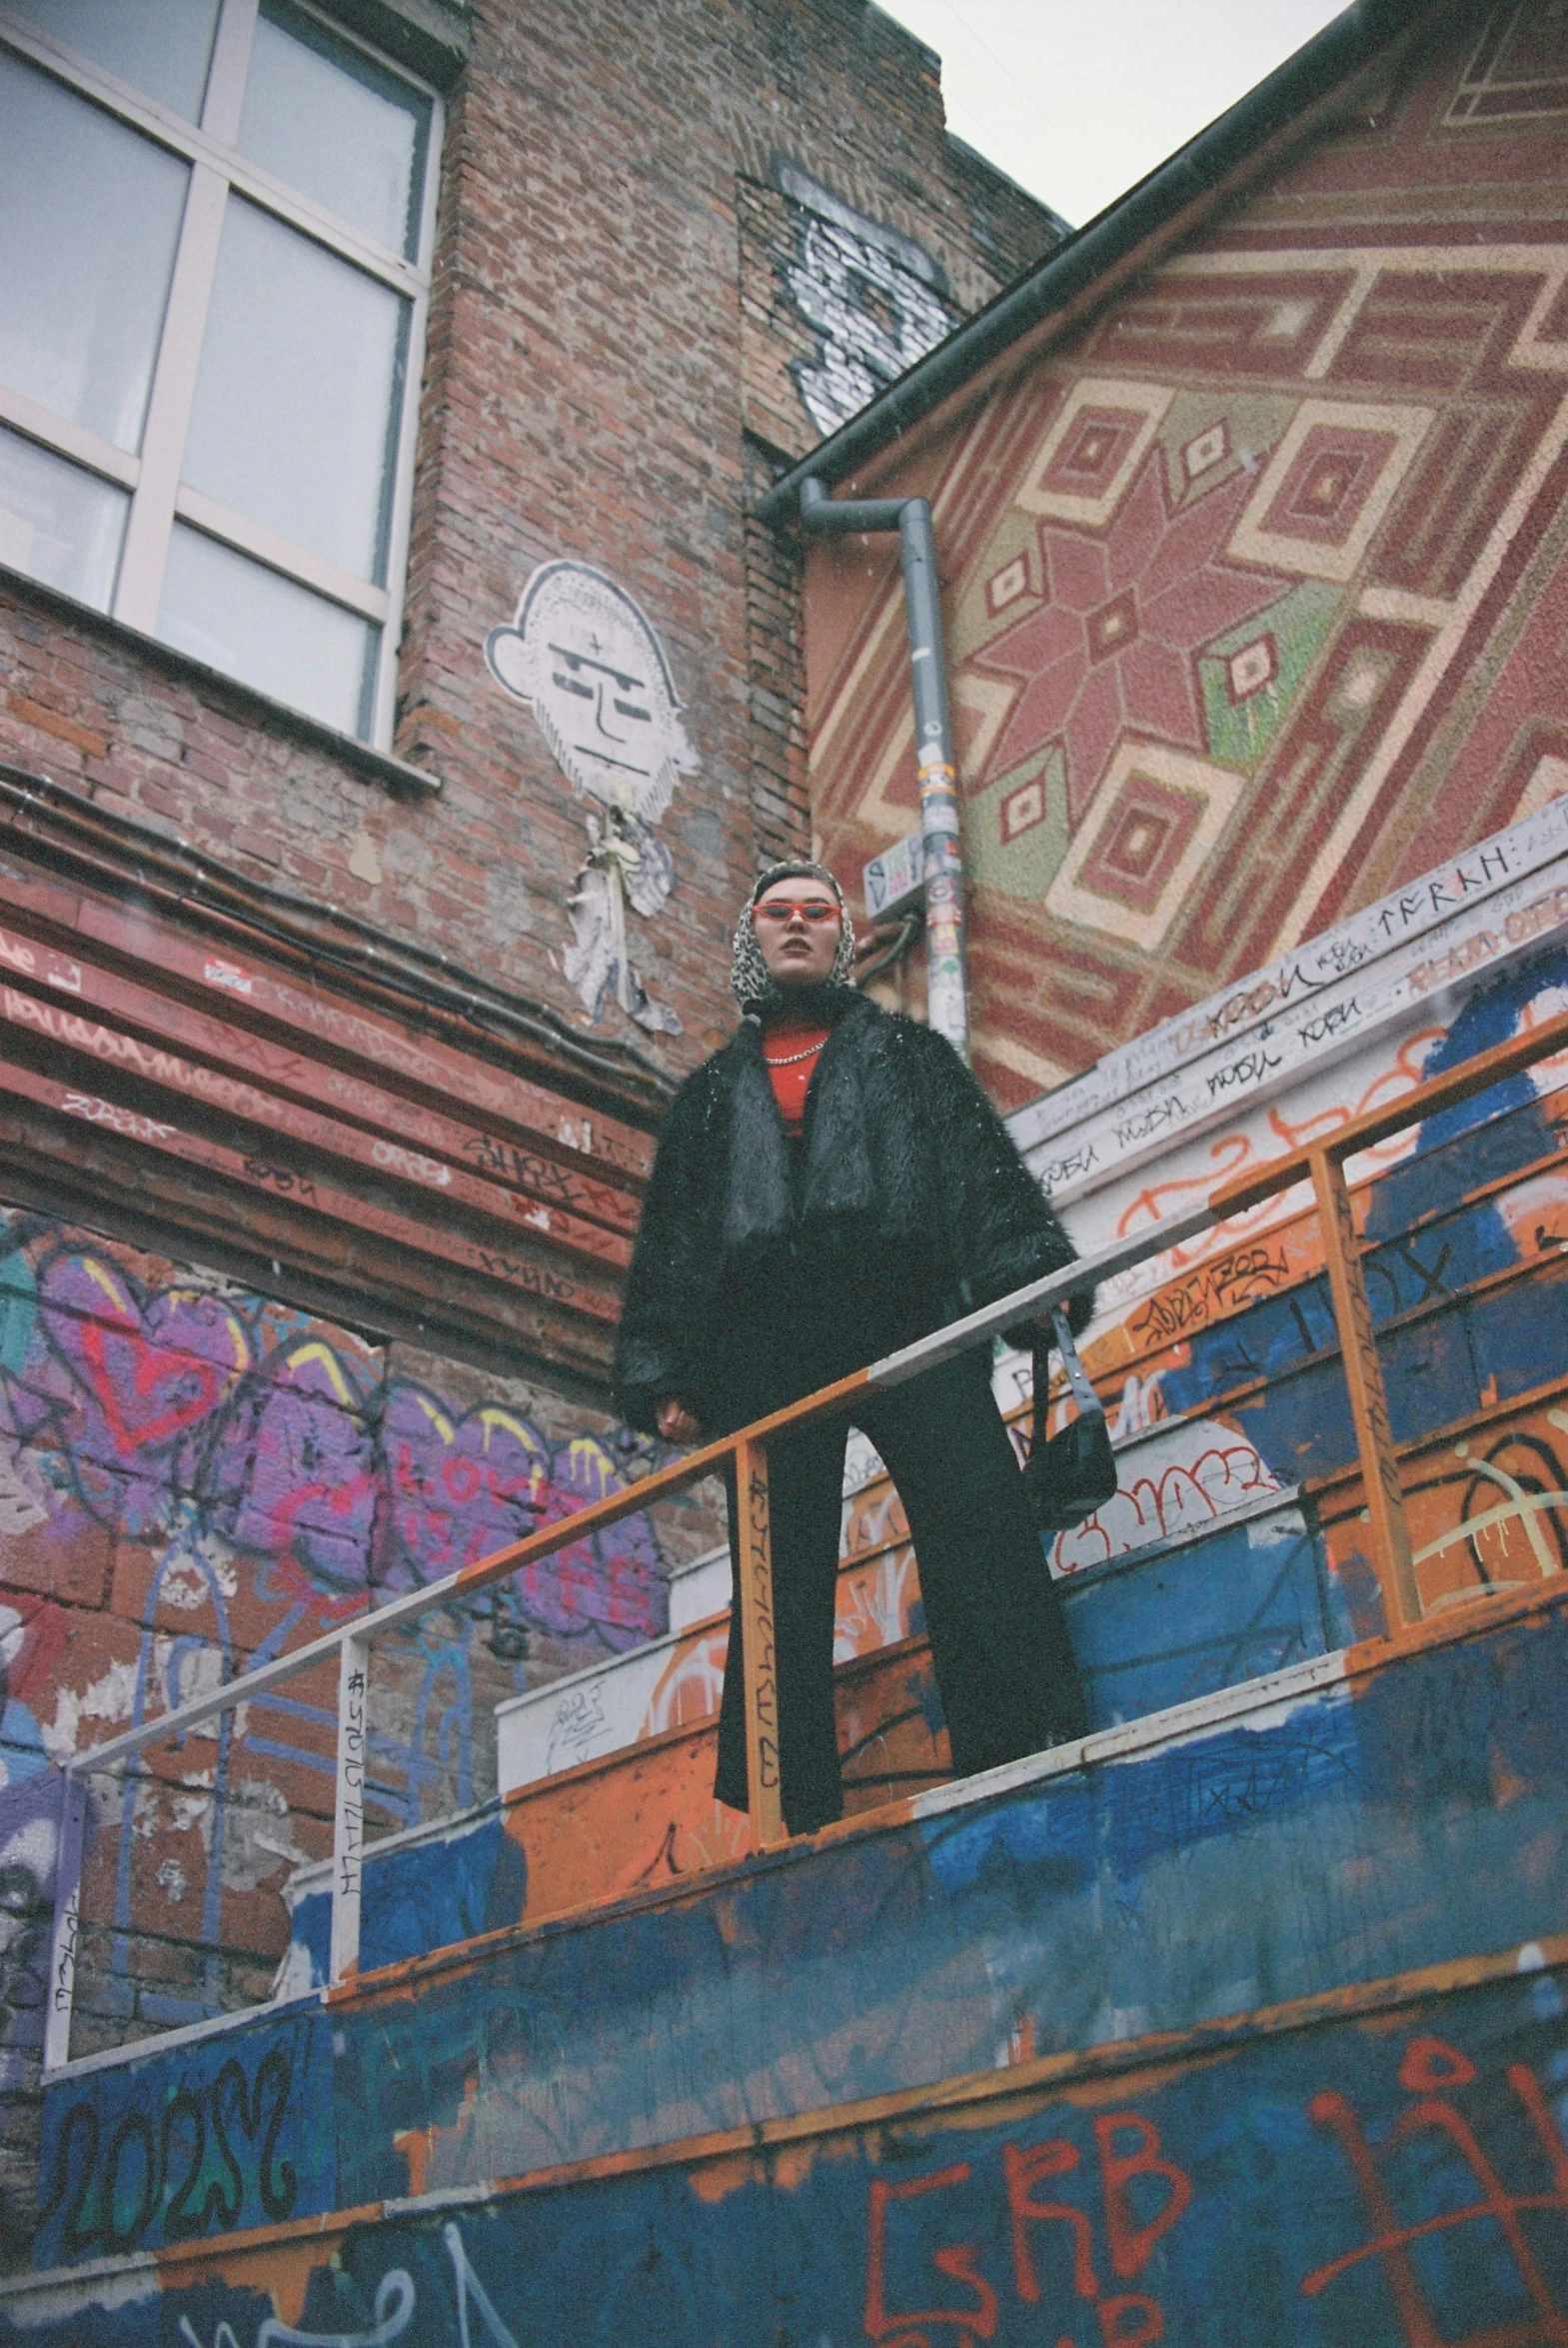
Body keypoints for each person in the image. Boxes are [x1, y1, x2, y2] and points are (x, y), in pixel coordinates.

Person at [614, 860, 1090, 1835]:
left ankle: (1013, 1752)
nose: (797, 927)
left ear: (841, 937)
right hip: (765, 1342)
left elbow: (977, 1173)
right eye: (777, 915)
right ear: (754, 939)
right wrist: (667, 1370)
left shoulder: (909, 1059)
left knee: (976, 1513)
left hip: (904, 1307)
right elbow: (676, 1237)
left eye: (816, 914)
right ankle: (794, 1809)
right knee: (775, 1570)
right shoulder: (710, 1097)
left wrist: (1026, 1282)